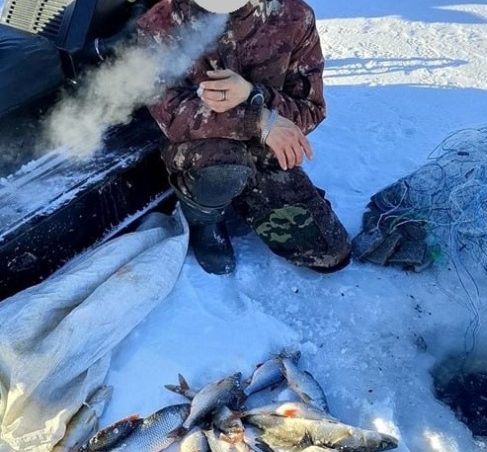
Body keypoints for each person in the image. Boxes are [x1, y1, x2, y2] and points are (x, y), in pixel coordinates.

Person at [138, 0, 350, 275]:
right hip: (202, 148)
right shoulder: (163, 20)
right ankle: (203, 218)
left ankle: (243, 197)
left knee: (331, 253)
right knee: (225, 167)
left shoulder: (294, 16)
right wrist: (258, 119)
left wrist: (252, 94)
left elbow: (311, 109)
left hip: (264, 154)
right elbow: (172, 116)